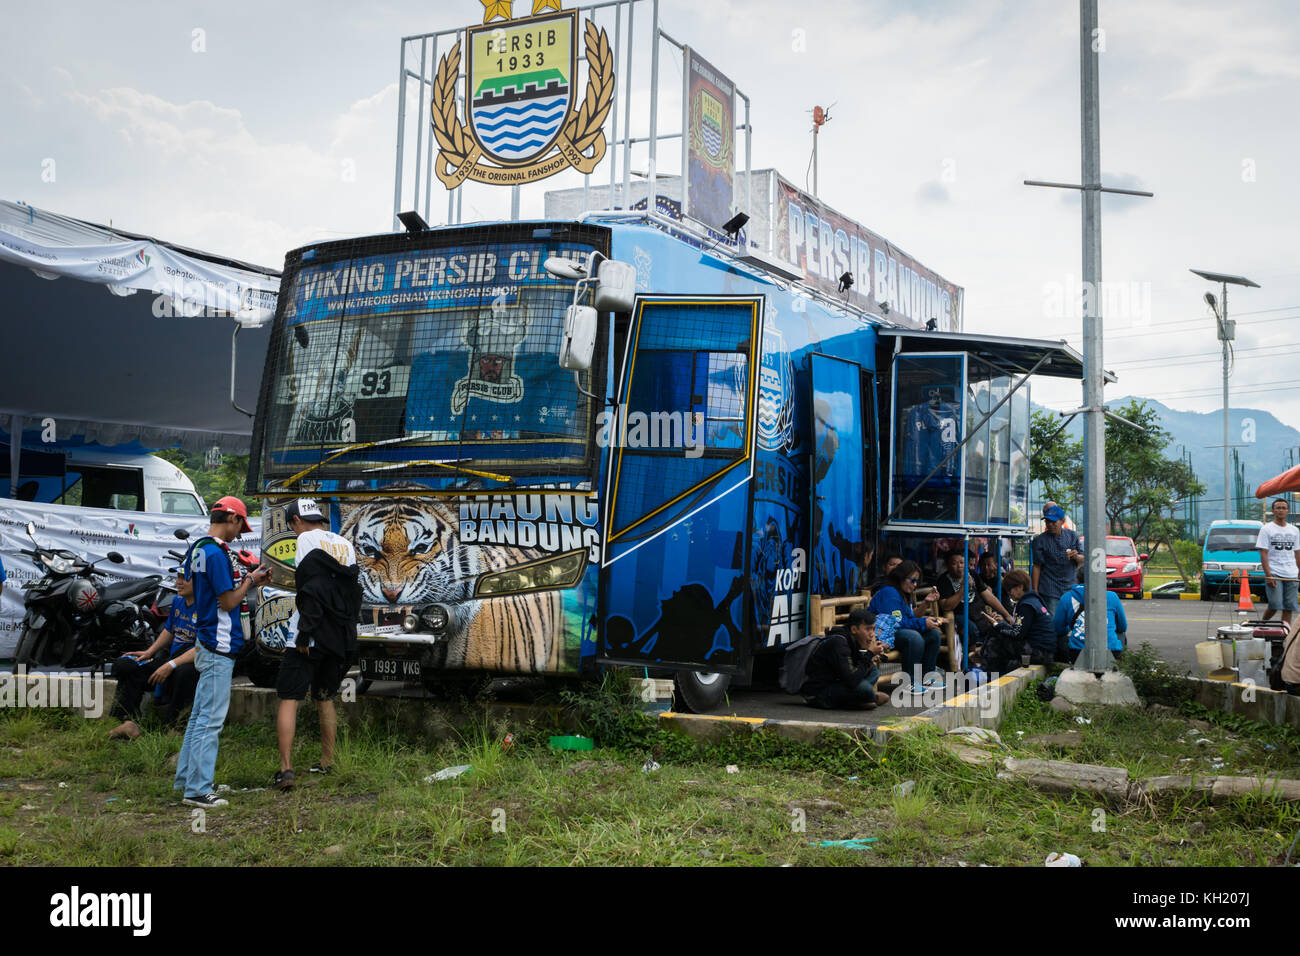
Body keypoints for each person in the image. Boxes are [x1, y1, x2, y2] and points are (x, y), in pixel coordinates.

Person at [174, 496, 271, 809]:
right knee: (211, 720)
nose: (240, 534)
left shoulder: (199, 547)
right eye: (240, 525)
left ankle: (186, 780)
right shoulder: (216, 552)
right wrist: (251, 582)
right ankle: (198, 790)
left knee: (200, 715)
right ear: (231, 518)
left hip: (205, 637)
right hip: (218, 642)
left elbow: (189, 588)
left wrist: (236, 581)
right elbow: (228, 602)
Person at [274, 498, 361, 792]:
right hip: (338, 637)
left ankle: (286, 770)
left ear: (296, 521)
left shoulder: (305, 540)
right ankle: (327, 762)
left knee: (290, 697)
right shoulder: (344, 544)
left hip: (308, 635)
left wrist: (303, 633)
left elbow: (310, 590)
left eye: (291, 525)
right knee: (325, 696)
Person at [108, 574, 199, 738]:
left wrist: (171, 665)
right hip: (170, 660)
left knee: (184, 673)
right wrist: (149, 652)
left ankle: (174, 727)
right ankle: (127, 721)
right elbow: (169, 630)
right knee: (126, 664)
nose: (178, 582)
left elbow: (204, 647)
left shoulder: (208, 607)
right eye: (177, 577)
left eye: (184, 578)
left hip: (193, 663)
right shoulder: (178, 601)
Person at [868, 559, 945, 691]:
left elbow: (909, 618)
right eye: (913, 580)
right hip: (882, 636)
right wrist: (922, 622)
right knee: (913, 637)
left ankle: (927, 678)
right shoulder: (889, 592)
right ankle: (909, 682)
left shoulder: (902, 594)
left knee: (933, 635)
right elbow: (895, 623)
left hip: (894, 634)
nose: (915, 585)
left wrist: (926, 612)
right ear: (902, 577)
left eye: (917, 582)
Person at [800, 609, 891, 710]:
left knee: (873, 671)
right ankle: (866, 698)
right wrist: (869, 654)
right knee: (866, 690)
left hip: (840, 681)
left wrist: (871, 655)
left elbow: (855, 668)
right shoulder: (839, 643)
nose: (872, 634)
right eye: (868, 629)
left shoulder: (853, 638)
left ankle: (859, 699)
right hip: (818, 693)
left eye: (873, 629)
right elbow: (851, 679)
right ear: (854, 629)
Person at [979, 568, 1055, 670]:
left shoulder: (1026, 605)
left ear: (1020, 587)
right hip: (1045, 651)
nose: (1008, 593)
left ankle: (987, 671)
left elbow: (1017, 634)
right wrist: (1002, 624)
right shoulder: (1034, 600)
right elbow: (1020, 630)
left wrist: (998, 625)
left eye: (1010, 589)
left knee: (996, 636)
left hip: (1040, 653)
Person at [1052, 563, 1127, 665]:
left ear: (1077, 580)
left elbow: (1058, 629)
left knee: (1061, 638)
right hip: (1110, 652)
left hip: (1077, 653)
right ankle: (1120, 662)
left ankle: (1062, 663)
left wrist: (1073, 627)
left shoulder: (1067, 597)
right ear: (1100, 579)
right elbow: (1122, 627)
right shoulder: (1112, 597)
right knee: (1121, 635)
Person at [936, 550, 1012, 645]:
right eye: (954, 563)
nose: (959, 566)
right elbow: (945, 606)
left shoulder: (972, 574)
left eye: (962, 562)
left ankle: (985, 650)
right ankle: (970, 656)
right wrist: (963, 588)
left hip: (977, 613)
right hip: (958, 616)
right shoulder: (944, 580)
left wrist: (1007, 615)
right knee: (971, 629)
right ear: (947, 565)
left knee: (999, 624)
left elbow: (989, 597)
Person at [1032, 503, 1084, 617]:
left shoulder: (1072, 536)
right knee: (1054, 622)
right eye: (1047, 521)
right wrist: (1035, 590)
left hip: (1070, 588)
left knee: (1071, 619)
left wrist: (1076, 556)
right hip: (1050, 590)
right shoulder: (1040, 540)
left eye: (1053, 522)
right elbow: (1037, 566)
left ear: (1062, 520)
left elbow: (1083, 559)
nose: (1050, 525)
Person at [1257, 498, 1299, 627]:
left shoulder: (1294, 530)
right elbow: (1263, 552)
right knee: (1275, 604)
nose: (1281, 510)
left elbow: (1297, 552)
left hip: (1291, 573)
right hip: (1275, 572)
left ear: (1288, 511)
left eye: (1283, 508)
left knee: (1289, 607)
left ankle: (1284, 634)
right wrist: (1268, 575)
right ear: (1273, 511)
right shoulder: (1266, 529)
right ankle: (1261, 625)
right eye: (1278, 508)